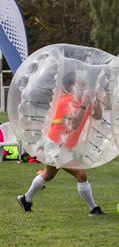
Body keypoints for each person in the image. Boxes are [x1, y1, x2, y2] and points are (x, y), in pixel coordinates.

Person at [17, 71, 105, 216]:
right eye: (81, 84)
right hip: (56, 145)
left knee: (48, 175)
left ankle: (26, 199)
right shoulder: (65, 101)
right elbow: (75, 124)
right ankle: (93, 209)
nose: (84, 87)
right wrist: (86, 103)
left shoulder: (83, 101)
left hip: (65, 146)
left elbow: (98, 115)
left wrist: (96, 101)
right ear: (72, 86)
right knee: (81, 174)